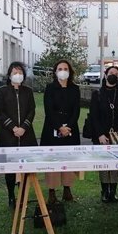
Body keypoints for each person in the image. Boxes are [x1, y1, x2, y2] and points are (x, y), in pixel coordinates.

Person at [0, 62, 37, 207]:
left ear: (23, 75)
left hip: (26, 135)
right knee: (10, 168)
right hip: (8, 135)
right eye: (14, 72)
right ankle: (11, 195)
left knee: (25, 168)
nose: (17, 75)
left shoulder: (28, 91)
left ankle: (23, 194)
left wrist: (24, 127)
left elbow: (32, 110)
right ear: (9, 75)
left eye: (20, 72)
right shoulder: (2, 91)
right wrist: (13, 128)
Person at [40, 59, 81, 204]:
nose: (63, 71)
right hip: (52, 128)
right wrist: (59, 127)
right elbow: (48, 110)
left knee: (68, 159)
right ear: (55, 72)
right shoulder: (50, 88)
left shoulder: (75, 89)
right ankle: (51, 192)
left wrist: (68, 126)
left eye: (65, 68)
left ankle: (67, 189)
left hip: (70, 129)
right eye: (60, 68)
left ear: (69, 72)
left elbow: (76, 110)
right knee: (52, 160)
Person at [89, 65, 118, 203]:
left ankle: (113, 192)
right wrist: (100, 134)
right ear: (106, 75)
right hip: (101, 135)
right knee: (103, 165)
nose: (113, 74)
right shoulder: (97, 94)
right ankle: (104, 191)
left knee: (114, 165)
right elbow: (94, 116)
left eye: (116, 73)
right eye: (110, 72)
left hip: (117, 134)